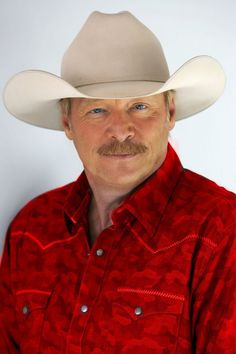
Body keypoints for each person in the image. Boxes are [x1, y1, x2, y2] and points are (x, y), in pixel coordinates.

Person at [0, 10, 235, 354]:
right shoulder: (30, 231)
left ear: (170, 113)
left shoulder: (222, 230)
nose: (121, 129)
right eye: (97, 110)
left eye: (139, 106)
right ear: (67, 122)